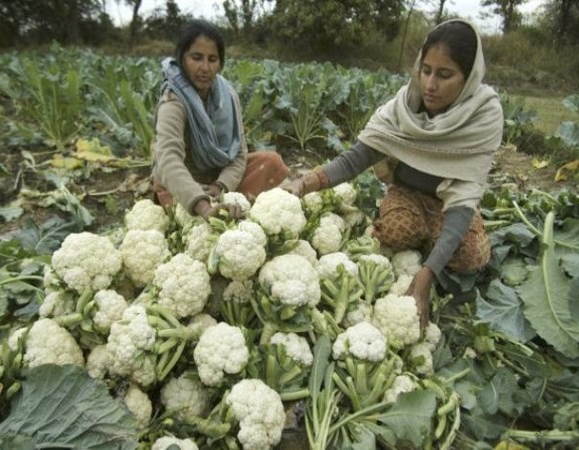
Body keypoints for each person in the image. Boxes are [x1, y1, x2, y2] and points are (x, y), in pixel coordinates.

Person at [284, 19, 504, 328]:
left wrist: (427, 273)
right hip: (407, 193)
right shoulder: (402, 108)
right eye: (425, 70)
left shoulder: (483, 116)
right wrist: (304, 183)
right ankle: (427, 239)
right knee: (395, 232)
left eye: (444, 75)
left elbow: (463, 198)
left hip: (452, 203)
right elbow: (354, 159)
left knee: (470, 257)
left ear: (468, 79)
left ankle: (434, 245)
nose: (430, 84)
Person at [151, 19, 289, 220]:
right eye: (197, 58)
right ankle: (214, 207)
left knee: (270, 161)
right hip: (185, 183)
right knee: (168, 182)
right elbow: (169, 159)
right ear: (182, 59)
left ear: (220, 64)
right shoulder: (173, 102)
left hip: (218, 179)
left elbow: (240, 154)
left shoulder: (228, 96)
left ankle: (230, 203)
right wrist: (203, 206)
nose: (205, 67)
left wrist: (220, 186)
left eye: (212, 59)